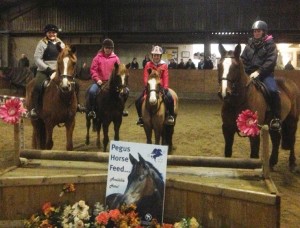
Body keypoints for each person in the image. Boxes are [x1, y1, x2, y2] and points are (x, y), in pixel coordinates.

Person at [29, 24, 85, 118]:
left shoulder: (61, 43)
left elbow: (66, 56)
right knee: (38, 85)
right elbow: (37, 58)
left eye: (54, 32)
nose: (52, 34)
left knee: (76, 84)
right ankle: (34, 108)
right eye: (50, 32)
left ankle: (77, 105)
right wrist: (47, 69)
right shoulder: (42, 43)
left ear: (56, 33)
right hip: (44, 69)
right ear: (46, 33)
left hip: (59, 69)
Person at [241, 20, 281, 131]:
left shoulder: (270, 44)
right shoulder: (249, 44)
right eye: (254, 31)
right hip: (249, 74)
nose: (256, 33)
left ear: (264, 32)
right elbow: (243, 59)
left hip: (265, 74)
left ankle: (276, 118)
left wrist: (259, 71)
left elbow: (271, 61)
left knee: (273, 90)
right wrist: (246, 71)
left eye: (258, 31)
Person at [88, 38, 128, 118]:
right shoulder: (97, 58)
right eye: (106, 48)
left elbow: (119, 71)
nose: (108, 49)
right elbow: (93, 70)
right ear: (103, 48)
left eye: (110, 48)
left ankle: (122, 109)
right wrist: (97, 79)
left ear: (112, 49)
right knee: (92, 92)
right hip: (100, 82)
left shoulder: (116, 58)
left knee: (126, 91)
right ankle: (92, 110)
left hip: (112, 83)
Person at [135, 45, 175, 126]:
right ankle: (141, 118)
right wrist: (147, 85)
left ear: (160, 56)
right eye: (154, 55)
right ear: (152, 56)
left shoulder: (164, 65)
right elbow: (146, 76)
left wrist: (165, 87)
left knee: (170, 98)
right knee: (138, 100)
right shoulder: (148, 64)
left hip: (161, 87)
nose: (156, 57)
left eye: (157, 55)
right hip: (150, 87)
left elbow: (165, 77)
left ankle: (170, 116)